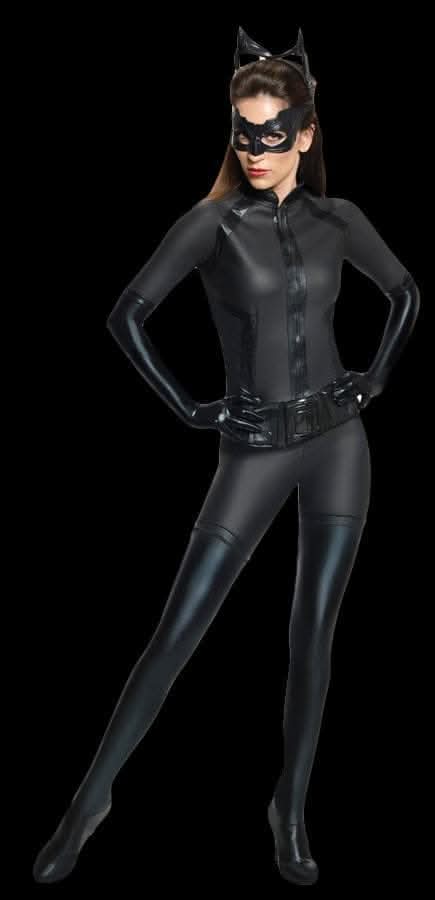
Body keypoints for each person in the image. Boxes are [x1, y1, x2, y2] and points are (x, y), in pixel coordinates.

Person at [32, 26, 420, 886]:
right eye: (243, 133)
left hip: (338, 447)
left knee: (311, 634)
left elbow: (404, 292)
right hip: (251, 450)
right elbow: (127, 314)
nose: (255, 150)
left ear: (306, 135)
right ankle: (87, 805)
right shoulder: (211, 225)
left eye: (272, 134)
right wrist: (190, 407)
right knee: (176, 632)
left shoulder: (339, 220)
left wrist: (372, 382)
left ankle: (290, 808)